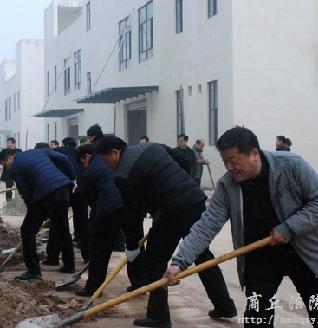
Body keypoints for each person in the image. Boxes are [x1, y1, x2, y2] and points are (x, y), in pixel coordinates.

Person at [165, 127, 318, 328]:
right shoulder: (227, 186)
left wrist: (289, 228)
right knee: (257, 320)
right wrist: (180, 262)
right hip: (260, 257)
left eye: (233, 160)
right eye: (225, 161)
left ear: (254, 154)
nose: (229, 167)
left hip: (305, 252)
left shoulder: (291, 165)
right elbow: (206, 225)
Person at [96, 136, 236, 328]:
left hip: (170, 211)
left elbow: (133, 215)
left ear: (115, 153)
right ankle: (224, 305)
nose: (107, 166)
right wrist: (180, 183)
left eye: (106, 161)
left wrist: (133, 246)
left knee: (154, 261)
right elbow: (183, 160)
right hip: (193, 199)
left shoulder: (123, 176)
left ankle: (158, 316)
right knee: (201, 254)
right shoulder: (153, 146)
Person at [0, 147, 76, 280]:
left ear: (10, 157)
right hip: (63, 189)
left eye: (5, 164)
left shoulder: (15, 168)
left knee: (27, 231)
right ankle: (69, 265)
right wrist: (73, 179)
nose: (7, 168)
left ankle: (33, 270)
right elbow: (64, 159)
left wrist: (34, 211)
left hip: (45, 193)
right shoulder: (39, 151)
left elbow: (25, 192)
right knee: (63, 228)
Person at [74, 143, 127, 297]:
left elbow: (91, 199)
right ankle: (140, 282)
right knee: (134, 245)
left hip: (110, 207)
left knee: (99, 249)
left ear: (88, 157)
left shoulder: (91, 171)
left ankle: (93, 287)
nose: (84, 165)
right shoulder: (110, 161)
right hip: (128, 203)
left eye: (83, 162)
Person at [47, 137, 89, 264]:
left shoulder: (51, 154)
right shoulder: (77, 152)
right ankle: (88, 256)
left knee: (58, 223)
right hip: (81, 189)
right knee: (83, 222)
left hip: (64, 189)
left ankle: (53, 257)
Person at [1, 137, 22, 201]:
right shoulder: (4, 152)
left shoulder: (19, 151)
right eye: (7, 143)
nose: (8, 145)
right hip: (8, 174)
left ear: (14, 144)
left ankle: (19, 201)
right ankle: (9, 202)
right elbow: (1, 161)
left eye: (9, 143)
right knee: (8, 189)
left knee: (19, 188)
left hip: (17, 173)